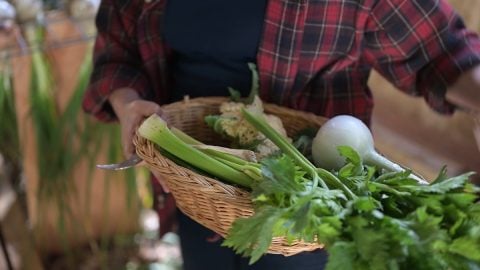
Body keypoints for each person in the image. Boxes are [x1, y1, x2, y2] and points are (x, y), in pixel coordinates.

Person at [82, 0, 480, 269]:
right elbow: (117, 53)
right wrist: (128, 104)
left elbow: (440, 51)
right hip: (194, 188)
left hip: (309, 202)